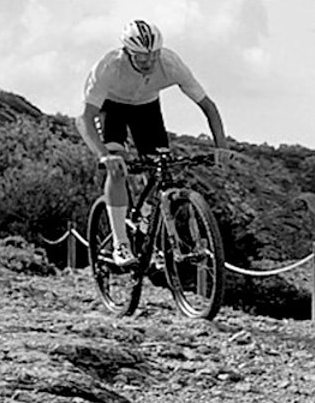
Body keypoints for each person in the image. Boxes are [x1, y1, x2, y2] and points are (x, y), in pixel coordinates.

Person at [76, 19, 229, 266]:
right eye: (140, 57)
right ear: (127, 52)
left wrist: (221, 146)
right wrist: (105, 155)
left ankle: (148, 230)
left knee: (161, 167)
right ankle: (120, 244)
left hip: (146, 108)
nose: (148, 62)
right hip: (111, 107)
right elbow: (84, 119)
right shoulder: (108, 67)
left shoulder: (171, 64)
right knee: (117, 168)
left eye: (153, 56)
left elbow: (208, 106)